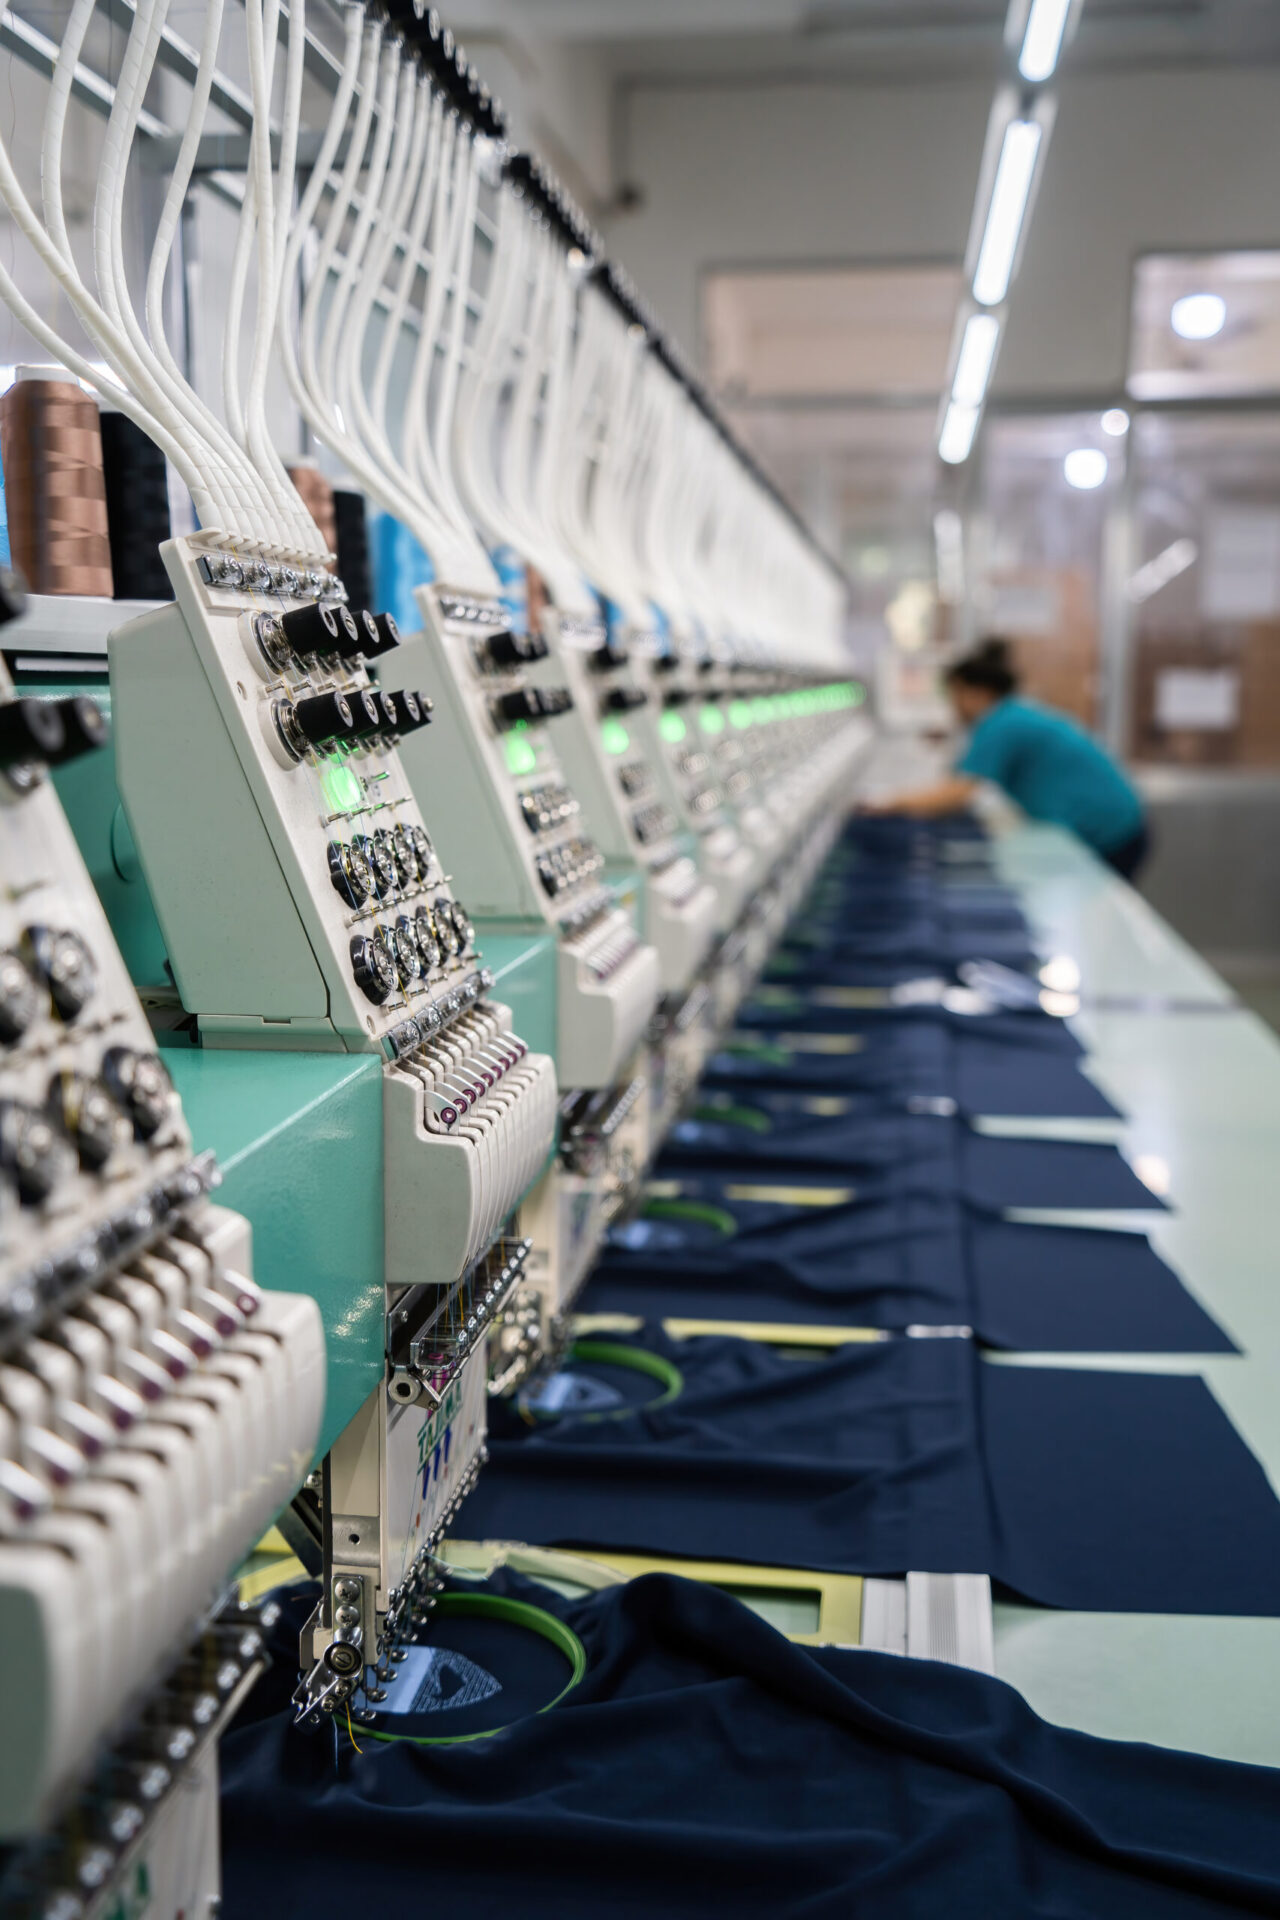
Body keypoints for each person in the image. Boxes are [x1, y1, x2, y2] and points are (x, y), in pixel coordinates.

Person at [867, 637, 1149, 880]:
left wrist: (887, 804)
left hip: (1111, 832)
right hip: (1118, 822)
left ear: (975, 692)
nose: (952, 708)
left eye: (954, 697)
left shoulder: (1000, 724)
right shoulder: (1010, 714)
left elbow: (956, 793)